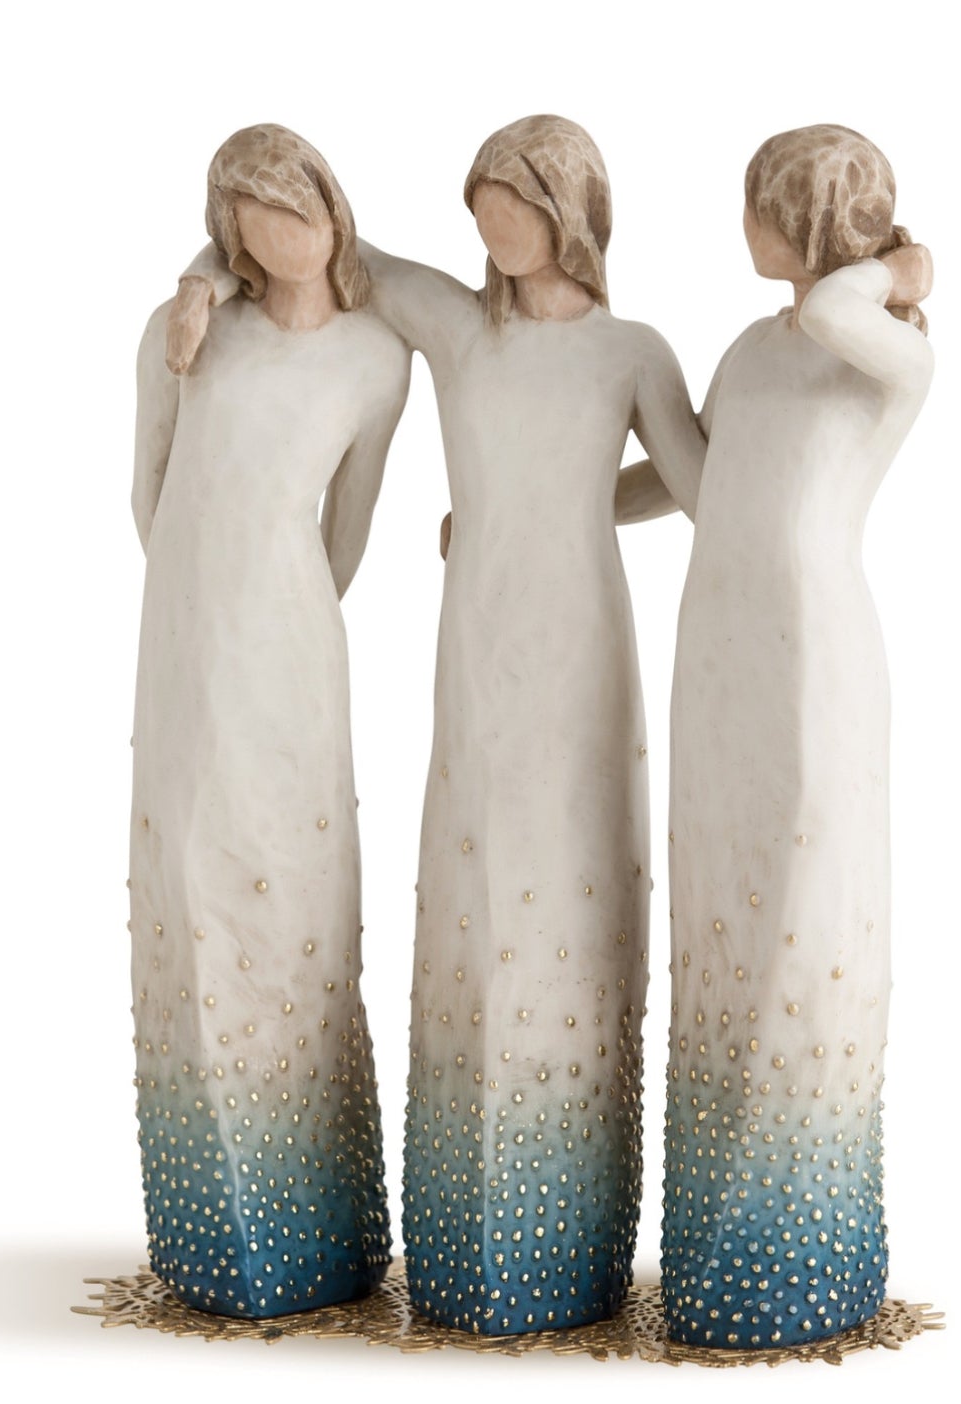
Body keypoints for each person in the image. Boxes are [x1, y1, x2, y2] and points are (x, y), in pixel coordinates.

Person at [172, 114, 706, 1334]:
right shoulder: (457, 331)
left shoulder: (631, 351)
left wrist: (579, 503)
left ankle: (566, 1246)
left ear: (570, 211)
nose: (490, 228)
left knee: (571, 882)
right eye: (479, 208)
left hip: (582, 641)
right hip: (477, 649)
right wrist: (200, 279)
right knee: (475, 887)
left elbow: (694, 482)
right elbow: (321, 243)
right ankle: (468, 1250)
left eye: (511, 205)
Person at [651, 124, 934, 1347]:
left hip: (814, 655)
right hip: (715, 647)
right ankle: (711, 1257)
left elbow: (830, 314)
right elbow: (694, 481)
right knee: (722, 907)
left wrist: (896, 267)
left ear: (811, 218)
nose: (742, 226)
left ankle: (797, 1264)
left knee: (801, 923)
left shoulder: (885, 350)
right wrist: (543, 498)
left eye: (761, 204)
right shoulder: (747, 348)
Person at [129, 124, 409, 1319]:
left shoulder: (377, 357)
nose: (285, 234)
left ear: (332, 212)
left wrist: (280, 609)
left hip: (294, 639)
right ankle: (214, 1224)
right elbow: (148, 489)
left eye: (298, 208)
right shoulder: (185, 331)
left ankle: (321, 1223)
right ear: (230, 232)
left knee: (294, 887)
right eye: (254, 217)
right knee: (194, 878)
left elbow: (348, 528)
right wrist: (202, 598)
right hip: (187, 632)